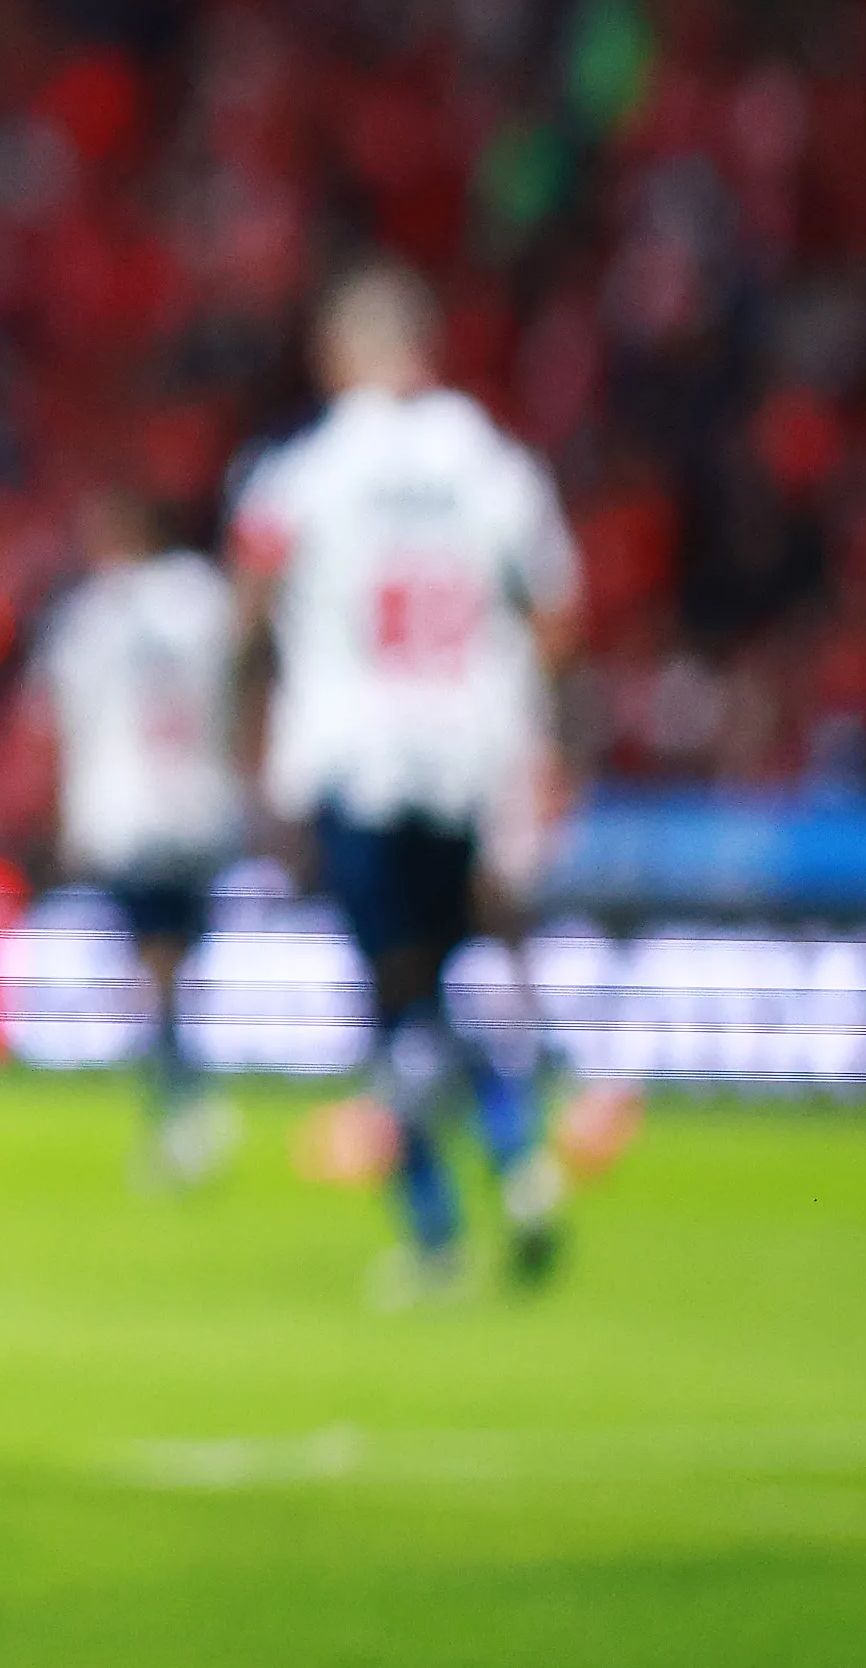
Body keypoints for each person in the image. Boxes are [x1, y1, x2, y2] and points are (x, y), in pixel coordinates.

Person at [232, 262, 584, 1301]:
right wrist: (520, 722)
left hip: (356, 757)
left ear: (341, 356)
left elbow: (247, 602)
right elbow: (557, 614)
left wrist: (254, 737)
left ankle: (435, 1228)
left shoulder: (305, 469)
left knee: (396, 996)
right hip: (471, 757)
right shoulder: (493, 465)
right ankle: (519, 1165)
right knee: (444, 974)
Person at [24, 487, 244, 1190]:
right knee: (176, 961)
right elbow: (245, 678)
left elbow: (62, 716)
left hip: (129, 811)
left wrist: (67, 811)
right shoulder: (206, 601)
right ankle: (185, 1097)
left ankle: (180, 1103)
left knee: (153, 968)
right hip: (203, 804)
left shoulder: (96, 612)